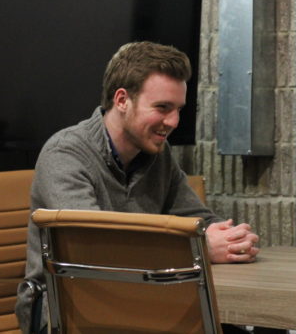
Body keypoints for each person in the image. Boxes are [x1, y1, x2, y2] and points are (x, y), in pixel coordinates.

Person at [16, 41, 259, 333]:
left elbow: (198, 220)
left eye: (178, 109)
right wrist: (202, 249)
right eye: (162, 108)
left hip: (141, 299)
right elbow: (89, 250)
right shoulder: (64, 154)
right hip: (65, 311)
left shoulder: (158, 154)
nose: (174, 121)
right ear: (122, 100)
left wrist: (232, 240)